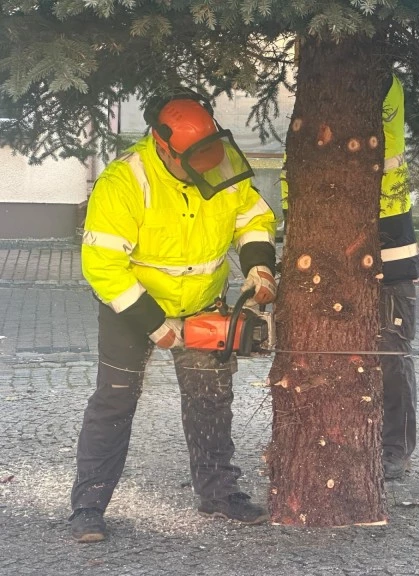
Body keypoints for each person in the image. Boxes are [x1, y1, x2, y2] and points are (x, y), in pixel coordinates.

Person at [70, 89, 278, 542]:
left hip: (203, 299)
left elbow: (253, 217)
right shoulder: (124, 181)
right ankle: (88, 505)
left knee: (210, 400)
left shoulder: (218, 159)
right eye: (192, 158)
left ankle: (219, 494)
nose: (205, 165)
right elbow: (102, 265)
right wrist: (154, 324)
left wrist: (259, 264)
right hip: (133, 306)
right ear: (163, 146)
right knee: (115, 400)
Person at [281, 73, 419, 480]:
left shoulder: (373, 75)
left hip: (389, 234)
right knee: (327, 341)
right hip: (327, 237)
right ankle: (338, 436)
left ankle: (394, 447)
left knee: (391, 349)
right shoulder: (315, 77)